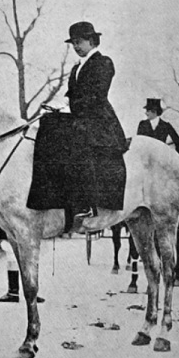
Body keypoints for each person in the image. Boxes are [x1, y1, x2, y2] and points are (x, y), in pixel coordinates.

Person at [64, 19, 129, 225]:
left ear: (92, 41)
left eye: (79, 42)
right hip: (79, 118)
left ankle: (90, 205)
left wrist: (72, 106)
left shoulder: (104, 62)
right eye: (73, 43)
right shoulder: (76, 68)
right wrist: (62, 104)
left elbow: (97, 95)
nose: (76, 47)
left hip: (99, 121)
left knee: (82, 147)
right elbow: (70, 94)